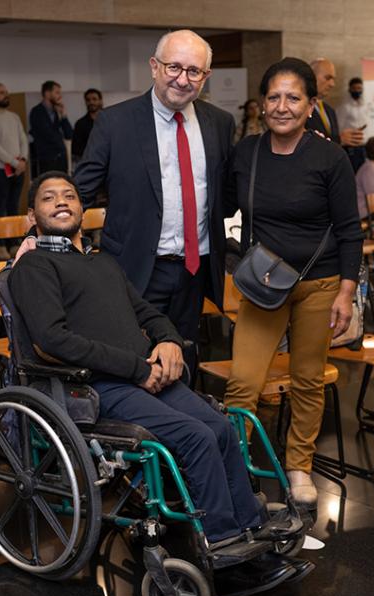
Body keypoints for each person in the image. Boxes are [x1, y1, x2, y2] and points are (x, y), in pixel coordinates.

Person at [10, 172, 308, 576]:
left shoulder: (102, 261)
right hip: (97, 385)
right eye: (49, 198)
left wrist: (168, 340)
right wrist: (136, 369)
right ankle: (222, 542)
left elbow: (145, 311)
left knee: (220, 426)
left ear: (83, 209)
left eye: (69, 195)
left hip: (144, 374)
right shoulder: (35, 266)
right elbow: (52, 340)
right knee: (196, 437)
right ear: (33, 215)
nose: (61, 202)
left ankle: (250, 528)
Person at [223, 58, 363, 508]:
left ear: (311, 105)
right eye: (274, 97)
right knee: (243, 380)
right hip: (264, 284)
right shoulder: (246, 153)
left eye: (293, 98)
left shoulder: (329, 156)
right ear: (262, 104)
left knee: (307, 380)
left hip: (320, 285)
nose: (282, 106)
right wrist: (233, 257)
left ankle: (298, 466)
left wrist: (346, 291)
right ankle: (230, 468)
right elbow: (225, 211)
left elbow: (349, 230)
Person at [74, 29, 235, 370]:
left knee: (186, 356)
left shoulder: (220, 124)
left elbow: (230, 190)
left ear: (205, 77)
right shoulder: (115, 122)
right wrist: (38, 239)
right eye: (173, 67)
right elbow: (81, 192)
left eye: (194, 71)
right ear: (154, 67)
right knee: (138, 362)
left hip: (196, 269)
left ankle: (185, 422)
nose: (182, 79)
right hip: (137, 269)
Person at [0, 83, 28, 223]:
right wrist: (14, 163)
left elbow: (23, 139)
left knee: (14, 206)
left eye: (6, 92)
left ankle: (14, 242)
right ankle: (0, 243)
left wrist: (23, 160)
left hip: (18, 169)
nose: (6, 95)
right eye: (1, 93)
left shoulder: (14, 117)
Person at [307, 58, 364, 150]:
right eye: (328, 78)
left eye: (333, 79)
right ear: (311, 77)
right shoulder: (301, 109)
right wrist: (339, 139)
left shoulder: (330, 111)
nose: (332, 84)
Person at [29, 81, 73, 176]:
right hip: (47, 161)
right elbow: (48, 135)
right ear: (47, 93)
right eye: (57, 93)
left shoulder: (57, 111)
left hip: (61, 160)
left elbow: (69, 134)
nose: (60, 96)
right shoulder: (37, 112)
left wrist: (64, 115)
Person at [337, 76, 368, 171]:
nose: (357, 91)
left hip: (362, 145)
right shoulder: (344, 107)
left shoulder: (364, 106)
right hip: (350, 146)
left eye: (359, 88)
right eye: (354, 88)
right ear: (350, 89)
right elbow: (339, 126)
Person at [71, 88, 103, 165]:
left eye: (94, 99)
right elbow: (76, 150)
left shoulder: (109, 121)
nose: (91, 102)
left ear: (101, 101)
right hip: (88, 164)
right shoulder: (80, 124)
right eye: (88, 100)